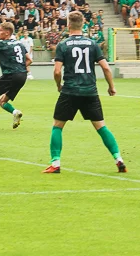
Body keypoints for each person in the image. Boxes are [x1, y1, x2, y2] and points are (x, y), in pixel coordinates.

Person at [45, 12, 126, 174]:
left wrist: (58, 85)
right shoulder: (92, 44)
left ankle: (55, 163)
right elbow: (105, 67)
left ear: (68, 25)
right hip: (90, 91)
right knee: (101, 127)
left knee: (57, 126)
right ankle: (118, 159)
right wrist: (111, 86)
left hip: (70, 90)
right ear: (83, 25)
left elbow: (56, 71)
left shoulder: (63, 45)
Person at [0, 22, 31, 130]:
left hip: (10, 74)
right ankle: (15, 112)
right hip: (22, 76)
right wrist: (21, 68)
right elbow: (29, 59)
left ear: (7, 32)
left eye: (0, 30)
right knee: (2, 101)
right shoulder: (20, 44)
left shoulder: (3, 43)